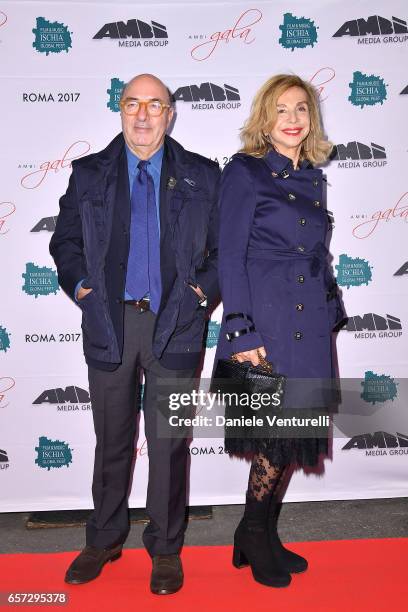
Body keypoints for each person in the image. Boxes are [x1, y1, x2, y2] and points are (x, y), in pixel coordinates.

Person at [50, 73, 220, 594]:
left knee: (168, 443)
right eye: (132, 104)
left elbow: (222, 251)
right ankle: (103, 538)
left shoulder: (203, 175)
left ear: (171, 114)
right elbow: (66, 243)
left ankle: (166, 548)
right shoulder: (88, 174)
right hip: (110, 322)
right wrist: (82, 289)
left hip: (176, 325)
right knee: (112, 441)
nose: (142, 115)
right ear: (120, 111)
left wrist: (198, 297)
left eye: (154, 105)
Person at [214, 74, 344, 588]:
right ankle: (251, 531)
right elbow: (230, 255)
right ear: (264, 119)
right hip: (265, 322)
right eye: (282, 110)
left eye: (302, 110)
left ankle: (264, 535)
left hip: (308, 322)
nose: (293, 119)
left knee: (291, 440)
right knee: (273, 437)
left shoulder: (313, 174)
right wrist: (241, 331)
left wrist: (331, 302)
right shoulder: (245, 173)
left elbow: (315, 250)